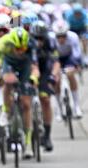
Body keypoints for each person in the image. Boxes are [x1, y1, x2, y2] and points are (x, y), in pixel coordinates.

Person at [0, 27, 40, 159]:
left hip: (25, 65)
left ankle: (27, 143)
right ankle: (5, 110)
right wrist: (1, 77)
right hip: (8, 62)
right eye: (17, 48)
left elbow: (34, 67)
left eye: (23, 48)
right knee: (8, 82)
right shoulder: (3, 44)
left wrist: (33, 78)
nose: (20, 51)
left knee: (26, 104)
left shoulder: (31, 44)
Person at [29, 21, 61, 152]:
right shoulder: (28, 43)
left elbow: (56, 62)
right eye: (36, 38)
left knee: (46, 100)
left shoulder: (51, 42)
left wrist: (53, 76)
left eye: (41, 38)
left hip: (45, 71)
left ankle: (47, 136)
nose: (39, 41)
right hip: (30, 70)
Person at [51, 20, 84, 119]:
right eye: (59, 36)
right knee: (57, 80)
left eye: (64, 36)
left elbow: (77, 52)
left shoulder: (73, 36)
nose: (61, 39)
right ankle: (59, 109)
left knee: (71, 75)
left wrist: (76, 65)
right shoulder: (51, 38)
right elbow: (50, 55)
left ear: (67, 33)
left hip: (69, 57)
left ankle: (76, 106)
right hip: (56, 58)